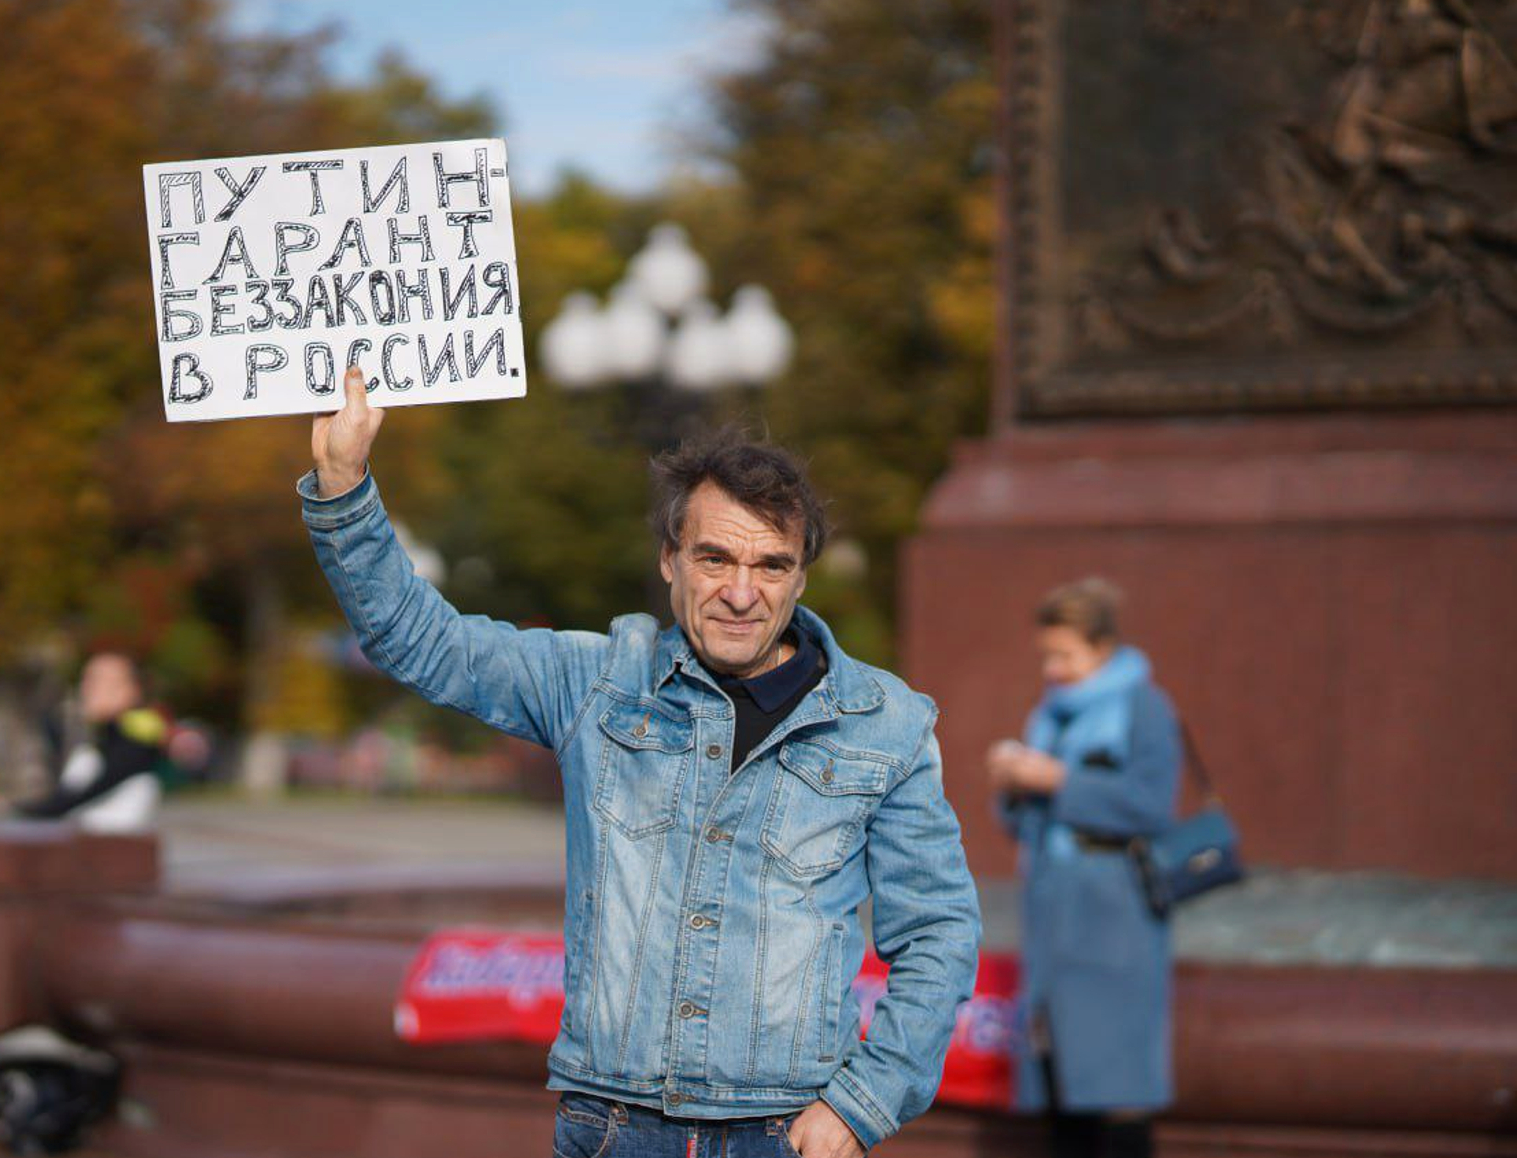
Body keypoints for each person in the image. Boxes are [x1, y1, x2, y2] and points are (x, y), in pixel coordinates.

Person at [300, 366, 981, 1158]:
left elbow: (938, 931)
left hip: (785, 1134)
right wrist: (344, 486)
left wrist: (863, 1105)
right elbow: (423, 642)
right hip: (612, 1128)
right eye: (715, 558)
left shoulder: (886, 725)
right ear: (669, 560)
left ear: (801, 576)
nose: (742, 593)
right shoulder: (597, 682)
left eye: (771, 566)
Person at [986, 578, 1182, 1158]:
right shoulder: (1050, 713)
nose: (1054, 669)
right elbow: (1025, 823)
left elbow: (1152, 804)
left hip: (1115, 916)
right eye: (1047, 655)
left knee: (1117, 1082)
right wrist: (1013, 785)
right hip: (1054, 912)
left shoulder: (1143, 705)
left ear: (1102, 647)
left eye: (1065, 654)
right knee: (1059, 1076)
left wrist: (1057, 779)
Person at [12, 651, 167, 833]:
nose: (86, 689)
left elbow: (88, 791)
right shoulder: (99, 741)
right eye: (85, 680)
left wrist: (34, 810)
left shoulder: (138, 735)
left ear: (132, 690)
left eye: (99, 681)